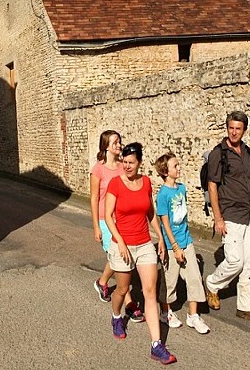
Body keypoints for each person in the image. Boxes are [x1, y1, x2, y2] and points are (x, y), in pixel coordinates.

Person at [105, 142, 177, 365]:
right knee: (123, 289)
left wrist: (160, 237)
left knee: (149, 292)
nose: (126, 166)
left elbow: (150, 212)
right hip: (122, 245)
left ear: (139, 163)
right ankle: (117, 316)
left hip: (145, 244)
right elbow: (108, 216)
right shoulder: (115, 184)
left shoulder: (145, 182)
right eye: (124, 162)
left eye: (130, 163)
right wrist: (121, 243)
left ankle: (157, 345)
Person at [204, 111, 250, 324]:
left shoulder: (247, 152)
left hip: (248, 213)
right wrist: (218, 217)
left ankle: (247, 307)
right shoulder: (218, 153)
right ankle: (212, 285)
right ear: (227, 128)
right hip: (229, 213)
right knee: (235, 261)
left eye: (238, 128)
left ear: (244, 130)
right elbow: (212, 186)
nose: (234, 132)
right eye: (231, 127)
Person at [90, 130, 144, 323]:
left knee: (117, 257)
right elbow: (94, 197)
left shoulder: (123, 166)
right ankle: (129, 303)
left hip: (121, 218)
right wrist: (96, 226)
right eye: (115, 142)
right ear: (105, 146)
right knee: (120, 256)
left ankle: (102, 282)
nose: (119, 145)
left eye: (120, 142)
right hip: (106, 219)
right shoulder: (98, 170)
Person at [154, 153, 210, 334]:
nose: (179, 168)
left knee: (194, 277)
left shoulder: (182, 188)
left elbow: (183, 217)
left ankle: (193, 316)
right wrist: (175, 247)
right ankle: (166, 312)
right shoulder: (163, 195)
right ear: (165, 171)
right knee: (170, 281)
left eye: (178, 165)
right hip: (172, 245)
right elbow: (165, 223)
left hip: (187, 240)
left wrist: (185, 242)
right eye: (175, 166)